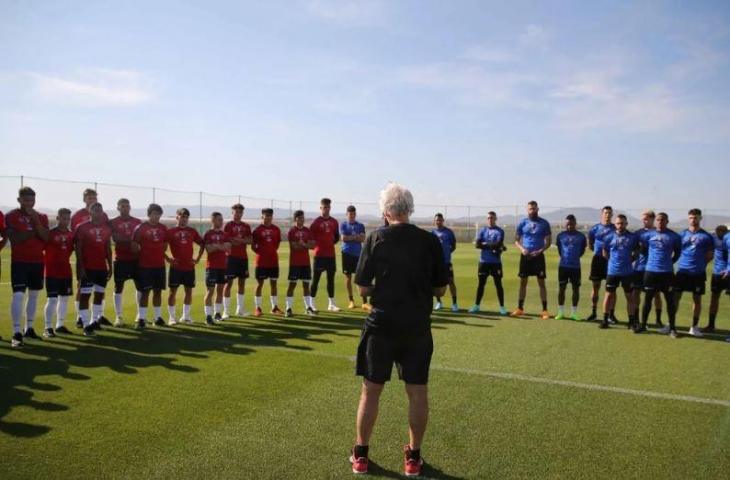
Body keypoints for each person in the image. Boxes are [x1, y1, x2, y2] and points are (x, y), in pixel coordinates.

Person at [350, 183, 447, 477]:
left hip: (382, 324)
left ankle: (361, 455)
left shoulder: (375, 237)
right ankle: (413, 457)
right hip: (417, 325)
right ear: (409, 208)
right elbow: (441, 288)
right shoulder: (430, 241)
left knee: (371, 391)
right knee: (417, 391)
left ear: (385, 210)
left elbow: (363, 288)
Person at [6, 187, 49, 346]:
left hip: (37, 261)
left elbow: (45, 237)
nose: (29, 203)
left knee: (34, 296)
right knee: (18, 295)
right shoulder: (11, 216)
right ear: (19, 200)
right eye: (26, 200)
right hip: (19, 262)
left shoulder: (41, 216)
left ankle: (29, 328)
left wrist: (36, 222)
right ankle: (16, 332)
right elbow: (15, 239)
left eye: (32, 200)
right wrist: (34, 233)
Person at [637, 212, 682, 337]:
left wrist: (670, 262)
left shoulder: (674, 236)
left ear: (667, 221)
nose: (660, 222)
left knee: (670, 301)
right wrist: (652, 261)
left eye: (662, 220)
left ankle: (672, 328)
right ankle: (643, 325)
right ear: (655, 221)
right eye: (658, 220)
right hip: (650, 272)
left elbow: (677, 253)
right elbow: (644, 250)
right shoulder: (648, 235)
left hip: (667, 273)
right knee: (647, 300)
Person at [71, 188, 109, 327]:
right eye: (89, 197)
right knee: (81, 288)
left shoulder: (103, 215)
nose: (91, 199)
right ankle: (80, 317)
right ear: (84, 199)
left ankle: (97, 316)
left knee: (100, 290)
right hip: (85, 259)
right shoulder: (77, 216)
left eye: (94, 197)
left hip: (99, 261)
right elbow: (74, 239)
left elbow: (105, 236)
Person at [675, 209, 714, 337]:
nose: (693, 219)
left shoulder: (706, 236)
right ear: (688, 218)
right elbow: (676, 251)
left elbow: (709, 255)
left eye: (696, 217)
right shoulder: (681, 235)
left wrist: (701, 265)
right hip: (682, 272)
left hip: (698, 273)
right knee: (675, 297)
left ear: (700, 218)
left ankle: (694, 326)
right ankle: (671, 324)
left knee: (697, 300)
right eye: (691, 217)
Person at [511, 201, 552, 319]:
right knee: (523, 282)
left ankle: (544, 310)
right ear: (527, 210)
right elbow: (516, 240)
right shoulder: (523, 223)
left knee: (541, 283)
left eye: (534, 209)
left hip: (538, 256)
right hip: (525, 256)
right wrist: (522, 249)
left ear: (538, 209)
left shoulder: (544, 223)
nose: (532, 211)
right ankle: (520, 308)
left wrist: (540, 251)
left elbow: (548, 242)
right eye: (530, 209)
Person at [131, 204, 168, 329]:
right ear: (149, 214)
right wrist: (144, 253)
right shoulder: (141, 227)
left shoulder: (163, 228)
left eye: (158, 214)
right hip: (145, 266)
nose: (156, 216)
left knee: (157, 292)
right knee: (145, 292)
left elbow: (165, 245)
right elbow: (134, 246)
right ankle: (141, 319)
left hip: (160, 265)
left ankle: (157, 318)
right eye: (154, 214)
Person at [165, 208, 204, 325]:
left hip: (189, 267)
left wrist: (197, 259)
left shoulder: (192, 231)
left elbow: (202, 244)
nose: (184, 219)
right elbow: (160, 246)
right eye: (182, 216)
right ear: (177, 217)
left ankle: (185, 316)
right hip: (176, 267)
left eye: (186, 217)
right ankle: (172, 317)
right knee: (172, 293)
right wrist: (168, 258)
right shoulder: (170, 231)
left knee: (189, 292)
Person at [601, 215, 639, 329]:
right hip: (612, 272)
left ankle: (631, 322)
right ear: (615, 224)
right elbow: (604, 252)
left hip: (627, 272)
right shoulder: (609, 236)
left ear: (626, 224)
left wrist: (630, 260)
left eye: (622, 223)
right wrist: (612, 262)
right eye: (618, 223)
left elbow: (637, 251)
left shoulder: (632, 237)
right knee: (608, 295)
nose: (620, 225)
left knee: (629, 297)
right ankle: (605, 320)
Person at [110, 198, 141, 327]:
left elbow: (140, 239)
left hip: (136, 259)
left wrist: (132, 242)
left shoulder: (137, 222)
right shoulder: (113, 222)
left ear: (130, 207)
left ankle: (140, 315)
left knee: (140, 287)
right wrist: (132, 241)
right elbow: (116, 238)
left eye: (127, 206)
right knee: (118, 288)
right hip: (120, 259)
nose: (125, 208)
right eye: (122, 206)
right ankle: (119, 316)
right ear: (118, 208)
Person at [43, 208, 74, 336]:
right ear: (57, 218)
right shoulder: (49, 233)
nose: (65, 221)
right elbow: (42, 249)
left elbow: (71, 250)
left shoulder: (71, 234)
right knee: (52, 300)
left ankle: (60, 325)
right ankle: (47, 328)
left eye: (68, 219)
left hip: (66, 271)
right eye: (63, 218)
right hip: (51, 271)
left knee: (64, 299)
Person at [469, 211, 507, 315]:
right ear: (487, 219)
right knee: (481, 284)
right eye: (489, 218)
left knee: (498, 284)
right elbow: (477, 245)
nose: (490, 220)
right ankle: (476, 306)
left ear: (496, 219)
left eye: (492, 218)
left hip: (496, 262)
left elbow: (498, 244)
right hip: (483, 262)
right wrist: (494, 246)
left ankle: (502, 307)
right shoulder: (483, 230)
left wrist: (485, 244)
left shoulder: (500, 231)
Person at [632, 211, 664, 327]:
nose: (644, 221)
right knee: (636, 293)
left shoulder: (658, 233)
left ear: (652, 219)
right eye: (643, 219)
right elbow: (633, 250)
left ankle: (658, 319)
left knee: (656, 294)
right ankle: (636, 319)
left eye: (646, 219)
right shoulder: (637, 234)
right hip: (639, 268)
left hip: (653, 269)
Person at [309, 198, 341, 312]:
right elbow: (310, 237)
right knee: (316, 280)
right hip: (319, 255)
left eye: (328, 207)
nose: (326, 209)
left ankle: (331, 304)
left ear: (330, 208)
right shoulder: (316, 222)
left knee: (330, 279)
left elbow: (337, 237)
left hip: (330, 255)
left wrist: (329, 243)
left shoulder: (334, 221)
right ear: (320, 208)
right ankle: (311, 304)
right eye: (324, 207)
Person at [554, 214, 587, 320]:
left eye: (571, 224)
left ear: (575, 224)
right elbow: (560, 250)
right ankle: (561, 312)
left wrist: (574, 258)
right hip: (563, 266)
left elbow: (582, 250)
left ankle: (574, 313)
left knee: (575, 289)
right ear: (565, 224)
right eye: (568, 224)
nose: (569, 226)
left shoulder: (581, 236)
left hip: (576, 267)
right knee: (562, 289)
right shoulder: (560, 236)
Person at [223, 203, 253, 318]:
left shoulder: (246, 226)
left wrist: (239, 240)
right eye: (236, 212)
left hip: (243, 258)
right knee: (228, 283)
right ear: (232, 213)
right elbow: (227, 240)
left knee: (242, 283)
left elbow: (250, 240)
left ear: (242, 213)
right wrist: (239, 240)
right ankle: (226, 311)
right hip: (230, 257)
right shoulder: (228, 226)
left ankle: (239, 309)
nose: (238, 214)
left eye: (240, 212)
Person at [252, 208, 282, 317]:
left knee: (273, 284)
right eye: (266, 215)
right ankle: (257, 308)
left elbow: (277, 244)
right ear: (262, 217)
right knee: (260, 284)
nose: (268, 217)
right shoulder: (257, 230)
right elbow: (253, 246)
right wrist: (261, 253)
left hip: (273, 261)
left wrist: (271, 251)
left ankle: (274, 307)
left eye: (270, 215)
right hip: (261, 262)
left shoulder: (276, 229)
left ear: (272, 217)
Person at [587, 206, 616, 322]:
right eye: (606, 213)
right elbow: (590, 243)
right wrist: (597, 251)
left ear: (612, 215)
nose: (607, 215)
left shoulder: (615, 228)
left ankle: (611, 315)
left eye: (609, 213)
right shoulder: (595, 228)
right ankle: (593, 312)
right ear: (602, 214)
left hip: (611, 260)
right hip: (597, 260)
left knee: (611, 289)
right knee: (595, 287)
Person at [285, 210, 316, 317]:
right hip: (295, 263)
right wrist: (305, 244)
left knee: (306, 286)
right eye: (299, 218)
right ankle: (288, 308)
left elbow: (313, 246)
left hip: (305, 263)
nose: (301, 220)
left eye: (303, 218)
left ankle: (308, 307)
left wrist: (303, 244)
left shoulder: (307, 230)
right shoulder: (291, 231)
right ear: (295, 219)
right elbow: (294, 246)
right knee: (292, 285)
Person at [202, 212, 231, 325]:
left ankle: (217, 313)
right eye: (219, 219)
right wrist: (221, 246)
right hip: (211, 267)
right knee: (210, 291)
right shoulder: (208, 234)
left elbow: (228, 248)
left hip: (223, 266)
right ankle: (208, 316)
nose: (221, 221)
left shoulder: (225, 234)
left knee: (220, 290)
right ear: (213, 220)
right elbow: (209, 249)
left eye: (222, 219)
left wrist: (216, 246)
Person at [340, 205, 369, 310]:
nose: (351, 216)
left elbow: (362, 239)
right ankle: (351, 301)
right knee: (348, 277)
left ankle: (365, 302)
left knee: (361, 278)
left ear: (355, 214)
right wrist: (355, 237)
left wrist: (351, 238)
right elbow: (344, 238)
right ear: (346, 214)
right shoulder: (343, 225)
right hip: (347, 253)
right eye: (350, 214)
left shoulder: (360, 225)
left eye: (353, 214)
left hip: (358, 254)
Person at [432, 213, 458, 312]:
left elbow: (453, 245)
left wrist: (447, 253)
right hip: (436, 264)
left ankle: (454, 303)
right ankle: (439, 302)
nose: (438, 221)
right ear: (434, 221)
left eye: (440, 220)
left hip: (447, 263)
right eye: (437, 220)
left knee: (451, 282)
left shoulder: (449, 232)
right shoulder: (432, 233)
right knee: (435, 284)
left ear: (443, 220)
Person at [707, 225, 729, 333]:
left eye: (722, 231)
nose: (720, 233)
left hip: (728, 273)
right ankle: (711, 325)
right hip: (717, 273)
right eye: (718, 231)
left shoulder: (729, 239)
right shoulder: (713, 237)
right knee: (714, 298)